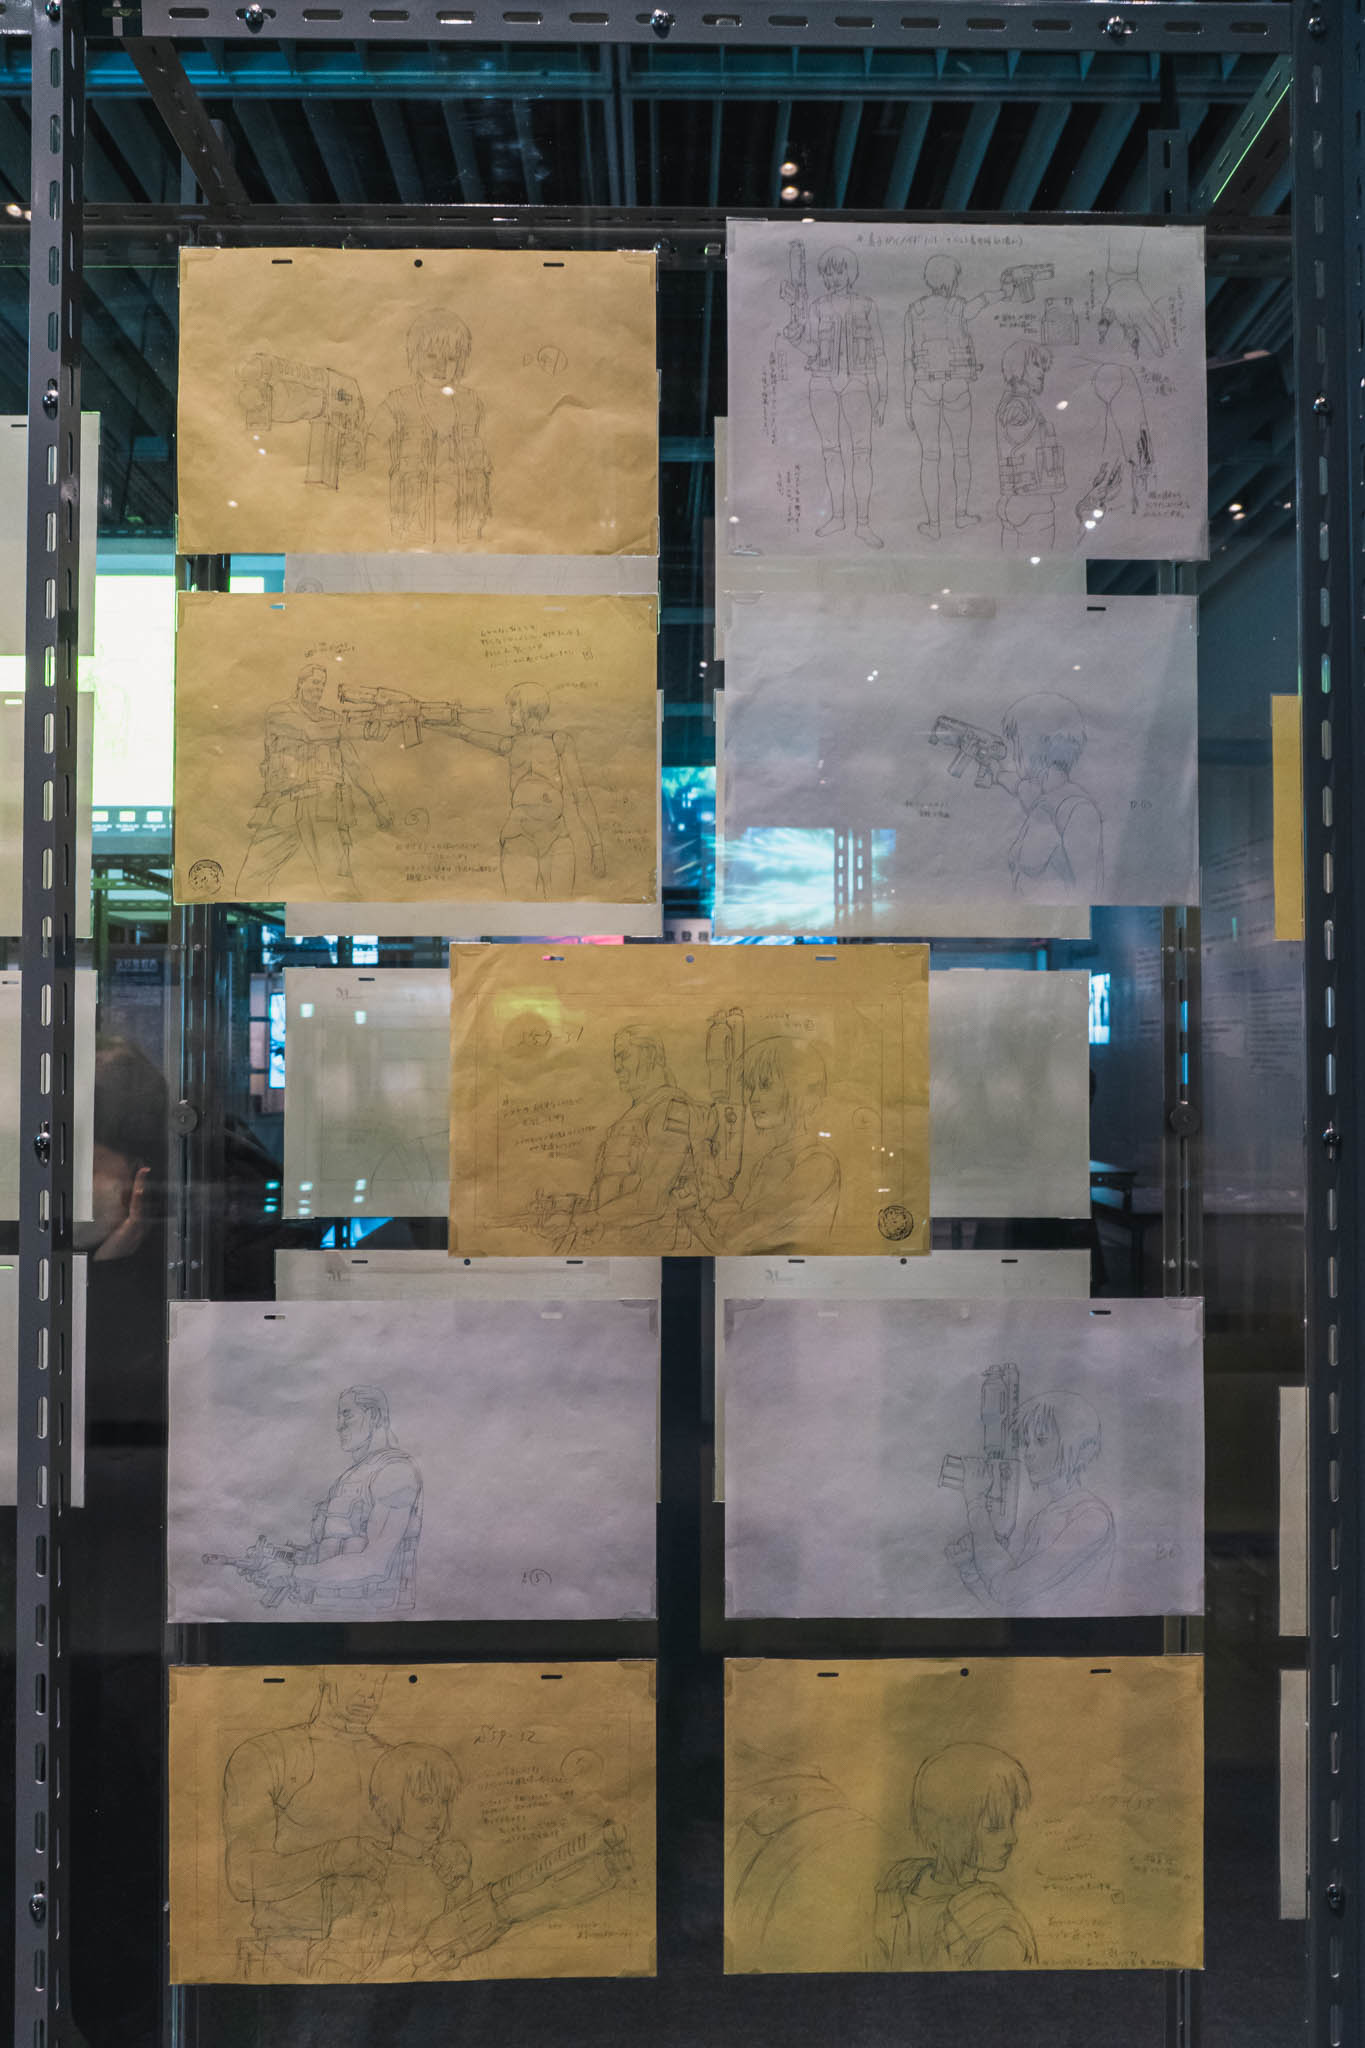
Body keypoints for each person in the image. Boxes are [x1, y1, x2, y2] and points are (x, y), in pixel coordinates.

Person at [223, 1667, 394, 1981]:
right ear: (327, 1673)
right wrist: (329, 1858)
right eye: (359, 1676)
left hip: (386, 1954)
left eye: (379, 1680)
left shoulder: (396, 1761)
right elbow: (242, 1878)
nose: (370, 1693)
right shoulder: (267, 1754)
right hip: (290, 1956)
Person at [223, 1386, 423, 1612]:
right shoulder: (348, 1478)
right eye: (339, 1416)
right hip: (331, 1613)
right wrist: (279, 1559)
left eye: (347, 1414)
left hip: (377, 1620)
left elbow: (375, 1564)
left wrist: (292, 1572)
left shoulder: (395, 1472)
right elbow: (330, 1552)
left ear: (374, 1416)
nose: (339, 1425)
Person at [538, 1025, 704, 1252]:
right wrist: (566, 1206)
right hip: (618, 1247)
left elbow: (651, 1201)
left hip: (651, 1253)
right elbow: (614, 1193)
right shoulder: (635, 1115)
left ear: (650, 1055)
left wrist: (582, 1220)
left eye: (624, 1056)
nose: (617, 1067)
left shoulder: (672, 1110)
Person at [236, 661, 393, 899]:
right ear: (300, 683)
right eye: (314, 682)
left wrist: (378, 803)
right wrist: (363, 728)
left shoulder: (332, 719)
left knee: (340, 887)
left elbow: (354, 765)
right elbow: (311, 731)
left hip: (324, 809)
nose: (319, 688)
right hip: (283, 807)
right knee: (249, 883)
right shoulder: (280, 713)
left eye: (322, 684)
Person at [949, 1390, 1115, 1614]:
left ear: (1077, 1447)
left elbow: (1007, 1590)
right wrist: (970, 1569)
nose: (1028, 1452)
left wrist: (976, 1504)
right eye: (1026, 1443)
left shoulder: (1092, 1517)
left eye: (1041, 1441)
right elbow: (1014, 1609)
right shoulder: (1041, 1520)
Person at [874, 1744, 1037, 1969]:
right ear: (950, 1829)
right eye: (994, 1826)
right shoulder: (893, 1889)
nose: (1012, 1838)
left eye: (1010, 1822)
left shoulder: (995, 1924)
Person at [448, 682, 605, 899]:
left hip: (557, 836)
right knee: (519, 907)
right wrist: (424, 720)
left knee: (561, 907)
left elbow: (582, 796)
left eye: (513, 706)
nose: (510, 713)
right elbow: (465, 733)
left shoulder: (558, 741)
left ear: (528, 707)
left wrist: (597, 847)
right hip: (519, 836)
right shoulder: (510, 744)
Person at [689, 1037, 841, 1253]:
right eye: (751, 1088)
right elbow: (739, 1239)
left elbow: (736, 1236)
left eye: (765, 1086)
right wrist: (698, 1208)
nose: (753, 1098)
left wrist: (701, 1146)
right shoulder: (769, 1161)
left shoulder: (817, 1164)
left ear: (798, 1090)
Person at [904, 255, 1014, 541]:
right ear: (951, 280)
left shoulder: (914, 311)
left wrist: (906, 403)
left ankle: (933, 524)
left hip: (924, 387)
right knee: (961, 452)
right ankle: (961, 514)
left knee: (930, 457)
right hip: (956, 385)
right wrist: (1004, 292)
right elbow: (983, 301)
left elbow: (907, 359)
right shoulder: (959, 307)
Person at [369, 311, 491, 545]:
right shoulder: (397, 402)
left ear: (461, 360)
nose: (441, 366)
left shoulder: (473, 404)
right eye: (431, 355)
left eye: (451, 358)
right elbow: (370, 448)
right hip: (412, 534)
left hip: (465, 536)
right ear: (415, 355)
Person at [793, 246, 887, 548]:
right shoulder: (817, 307)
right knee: (831, 452)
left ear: (851, 272)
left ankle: (863, 523)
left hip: (858, 383)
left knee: (862, 453)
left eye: (840, 271)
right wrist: (795, 338)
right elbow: (812, 349)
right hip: (822, 384)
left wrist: (881, 396)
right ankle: (837, 517)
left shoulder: (866, 306)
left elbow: (880, 354)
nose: (834, 278)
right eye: (829, 273)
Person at [991, 692, 1105, 902]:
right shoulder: (1044, 800)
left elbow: (1088, 893)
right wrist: (1002, 777)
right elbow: (1026, 791)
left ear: (1034, 744)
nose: (1014, 754)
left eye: (1017, 741)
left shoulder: (1076, 808)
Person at [994, 341, 1065, 553]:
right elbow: (1013, 419)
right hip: (1033, 504)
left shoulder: (1017, 401)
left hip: (1013, 501)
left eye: (1043, 366)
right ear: (1018, 366)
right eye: (1035, 364)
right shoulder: (1019, 405)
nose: (1042, 372)